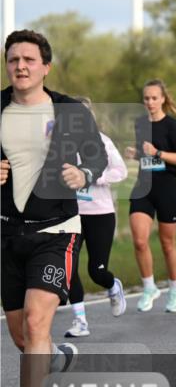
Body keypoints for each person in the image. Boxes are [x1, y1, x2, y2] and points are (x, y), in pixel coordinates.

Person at [2, 29, 108, 387]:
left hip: (57, 230)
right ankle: (58, 357)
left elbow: (97, 158)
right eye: (13, 60)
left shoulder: (69, 111)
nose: (20, 66)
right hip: (7, 232)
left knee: (35, 323)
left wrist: (83, 176)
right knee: (22, 337)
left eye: (29, 59)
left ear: (46, 65)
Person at [65, 97, 129, 337]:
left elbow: (120, 171)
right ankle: (80, 321)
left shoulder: (103, 141)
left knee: (96, 271)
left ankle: (112, 286)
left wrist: (92, 177)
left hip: (100, 214)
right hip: (72, 214)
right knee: (68, 268)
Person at [126, 79, 176, 313]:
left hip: (166, 189)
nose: (150, 102)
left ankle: (174, 290)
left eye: (154, 98)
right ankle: (149, 287)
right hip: (143, 187)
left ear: (163, 99)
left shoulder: (172, 126)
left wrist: (158, 152)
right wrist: (134, 154)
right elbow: (145, 157)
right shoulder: (140, 123)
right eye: (146, 98)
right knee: (140, 240)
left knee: (167, 243)